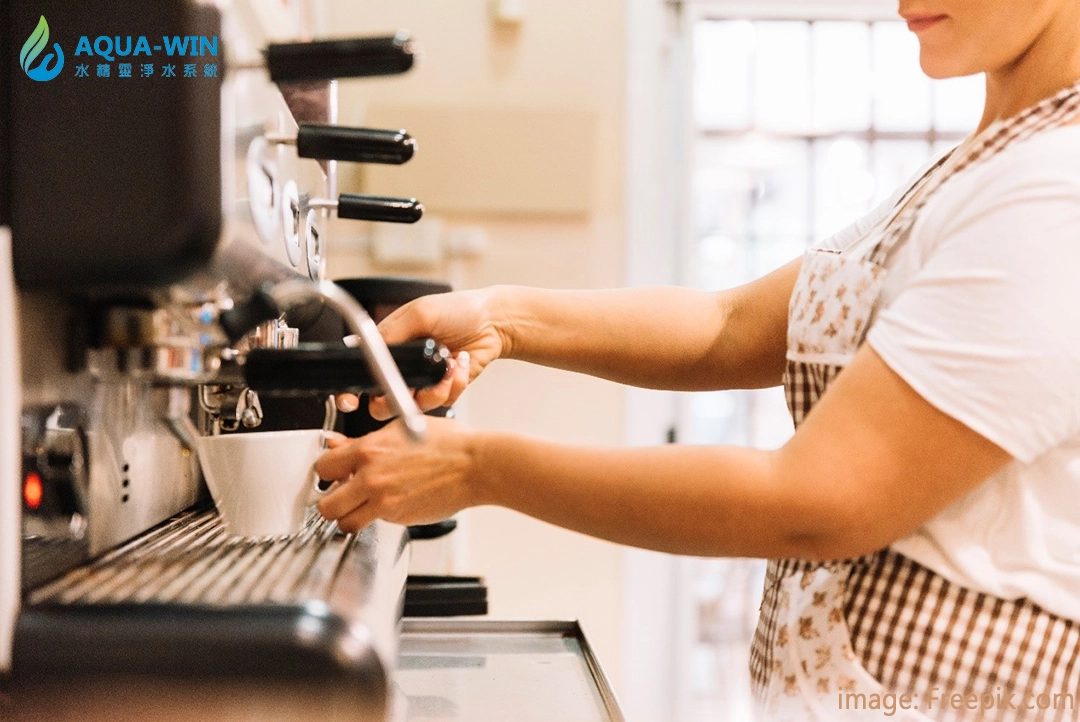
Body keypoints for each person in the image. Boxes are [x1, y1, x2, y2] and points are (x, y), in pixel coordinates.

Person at [317, 1, 1080, 718]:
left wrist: (477, 468)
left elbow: (816, 502)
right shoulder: (986, 165)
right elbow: (731, 327)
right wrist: (504, 318)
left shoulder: (1055, 190)